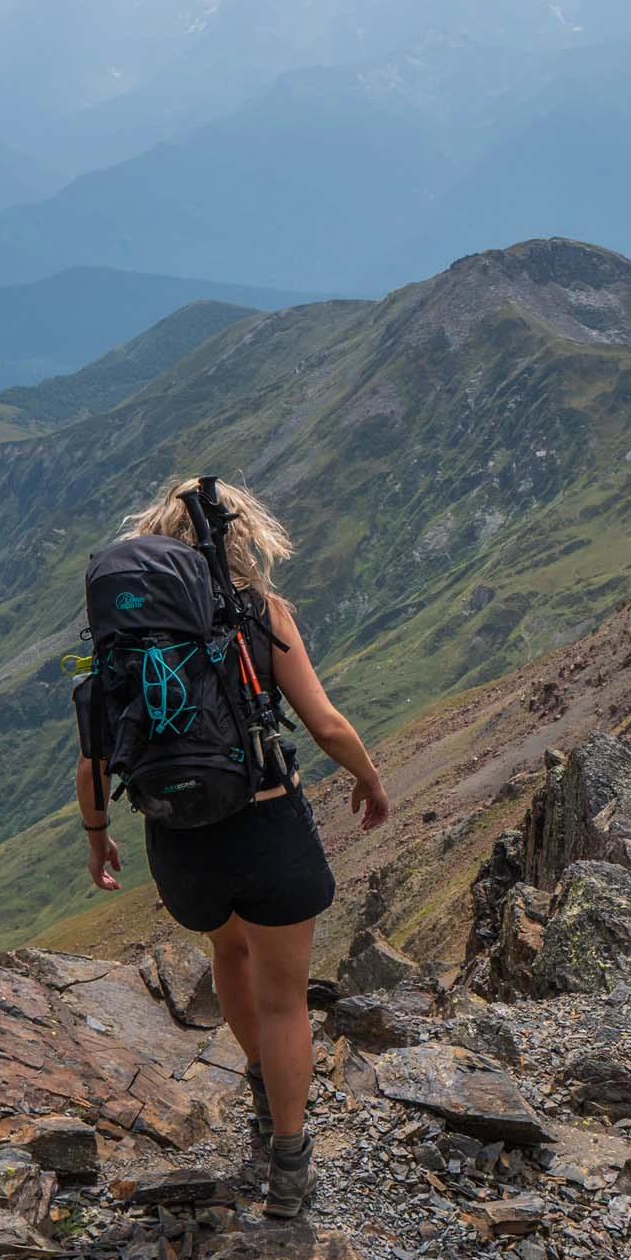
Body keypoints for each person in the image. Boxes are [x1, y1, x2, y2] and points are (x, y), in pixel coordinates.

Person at [76, 478, 391, 1218]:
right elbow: (325, 724)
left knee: (230, 956)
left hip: (177, 841)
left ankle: (258, 1085)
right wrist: (369, 779)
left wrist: (97, 837)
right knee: (286, 1001)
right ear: (241, 535)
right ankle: (288, 1166)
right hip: (265, 824)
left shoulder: (121, 635)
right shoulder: (259, 614)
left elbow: (92, 757)